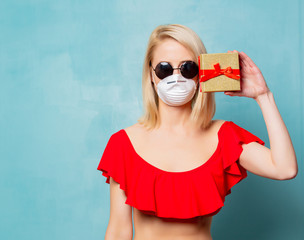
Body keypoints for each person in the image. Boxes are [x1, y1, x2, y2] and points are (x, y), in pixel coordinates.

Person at [97, 24, 298, 240]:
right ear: (151, 75)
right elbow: (118, 231)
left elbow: (284, 169)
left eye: (187, 68)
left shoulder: (224, 136)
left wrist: (263, 96)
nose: (176, 77)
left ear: (201, 74)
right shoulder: (123, 143)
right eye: (164, 69)